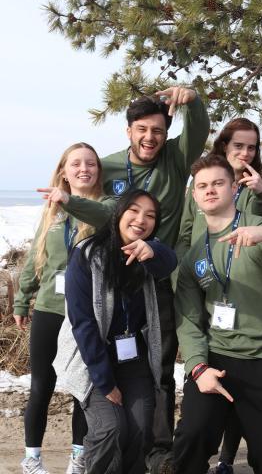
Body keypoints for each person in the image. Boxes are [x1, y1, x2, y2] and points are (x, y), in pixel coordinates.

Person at [61, 86, 210, 472]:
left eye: (158, 131)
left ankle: (156, 451)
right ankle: (91, 446)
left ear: (167, 132)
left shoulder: (176, 159)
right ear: (128, 131)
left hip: (158, 275)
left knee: (158, 371)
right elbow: (99, 209)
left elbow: (199, 127)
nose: (150, 138)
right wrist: (70, 202)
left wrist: (192, 98)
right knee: (102, 368)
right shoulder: (109, 165)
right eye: (142, 129)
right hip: (111, 274)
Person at [173, 155, 262, 474]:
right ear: (195, 196)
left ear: (233, 188)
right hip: (217, 361)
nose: (210, 190)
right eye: (202, 186)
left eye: (217, 183)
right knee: (190, 440)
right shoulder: (194, 255)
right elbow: (189, 320)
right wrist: (198, 368)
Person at [53, 189, 177, 474]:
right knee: (109, 429)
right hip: (93, 362)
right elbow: (82, 323)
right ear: (119, 213)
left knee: (140, 429)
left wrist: (153, 250)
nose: (141, 220)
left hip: (133, 361)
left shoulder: (149, 254)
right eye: (134, 211)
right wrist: (105, 382)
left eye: (150, 216)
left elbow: (168, 261)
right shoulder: (86, 255)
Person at [13, 143, 112, 474]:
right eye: (76, 164)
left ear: (98, 170)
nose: (84, 169)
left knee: (80, 387)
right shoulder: (51, 212)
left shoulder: (104, 209)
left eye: (91, 163)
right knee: (42, 384)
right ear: (64, 171)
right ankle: (32, 459)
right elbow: (36, 258)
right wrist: (22, 298)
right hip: (49, 308)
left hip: (85, 313)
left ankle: (78, 457)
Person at [176, 117, 262, 263]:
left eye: (251, 147)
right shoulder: (200, 181)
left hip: (235, 274)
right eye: (238, 146)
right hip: (197, 272)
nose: (245, 153)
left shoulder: (256, 189)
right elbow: (185, 235)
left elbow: (255, 235)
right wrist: (179, 278)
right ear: (225, 146)